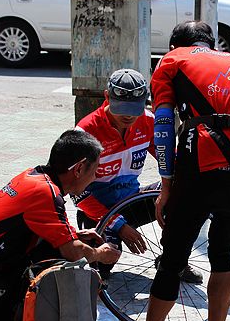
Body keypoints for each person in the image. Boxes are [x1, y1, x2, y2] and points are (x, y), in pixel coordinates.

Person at [124, 20, 230, 321]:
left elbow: (164, 124)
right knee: (222, 251)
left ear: (174, 44)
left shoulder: (172, 61)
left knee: (172, 259)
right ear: (211, 43)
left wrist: (166, 185)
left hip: (198, 163)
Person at [0, 130, 121, 321]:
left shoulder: (33, 177)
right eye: (94, 170)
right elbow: (73, 253)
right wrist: (100, 255)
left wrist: (75, 235)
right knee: (66, 263)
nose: (95, 177)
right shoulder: (45, 193)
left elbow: (37, 230)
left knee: (57, 248)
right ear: (79, 168)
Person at [72, 68, 203, 283]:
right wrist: (118, 225)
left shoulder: (148, 121)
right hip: (99, 212)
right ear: (107, 97)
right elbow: (78, 194)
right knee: (103, 267)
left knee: (185, 190)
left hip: (132, 201)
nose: (128, 116)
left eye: (134, 109)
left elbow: (171, 161)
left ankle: (174, 259)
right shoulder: (85, 132)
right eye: (121, 108)